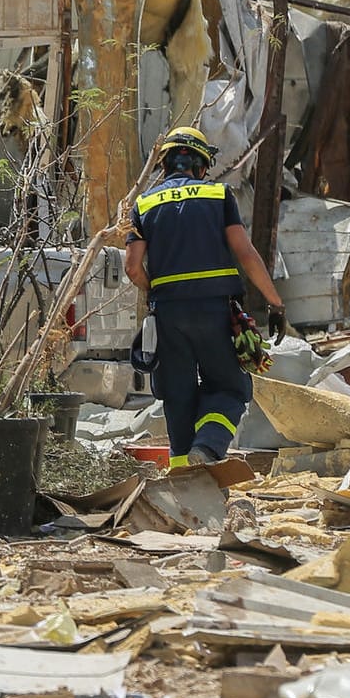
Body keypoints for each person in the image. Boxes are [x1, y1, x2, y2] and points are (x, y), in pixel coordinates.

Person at [125, 127, 284, 469]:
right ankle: (208, 447)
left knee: (178, 397)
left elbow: (133, 267)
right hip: (215, 311)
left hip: (168, 314)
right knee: (231, 388)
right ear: (200, 166)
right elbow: (246, 253)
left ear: (165, 166)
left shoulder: (144, 203)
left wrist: (156, 291)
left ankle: (183, 480)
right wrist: (275, 303)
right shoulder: (219, 195)